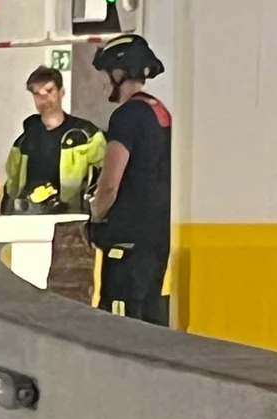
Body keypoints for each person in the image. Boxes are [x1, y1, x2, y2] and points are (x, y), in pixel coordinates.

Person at [88, 34, 172, 326]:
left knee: (119, 327)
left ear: (119, 73)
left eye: (104, 75)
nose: (102, 83)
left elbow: (110, 183)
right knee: (151, 322)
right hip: (159, 238)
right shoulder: (160, 112)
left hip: (128, 241)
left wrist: (96, 217)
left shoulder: (126, 116)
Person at [1, 66, 105, 214]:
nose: (44, 99)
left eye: (49, 91)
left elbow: (105, 176)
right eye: (37, 94)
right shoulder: (24, 142)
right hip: (29, 221)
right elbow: (12, 188)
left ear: (61, 92)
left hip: (73, 219)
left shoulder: (86, 136)